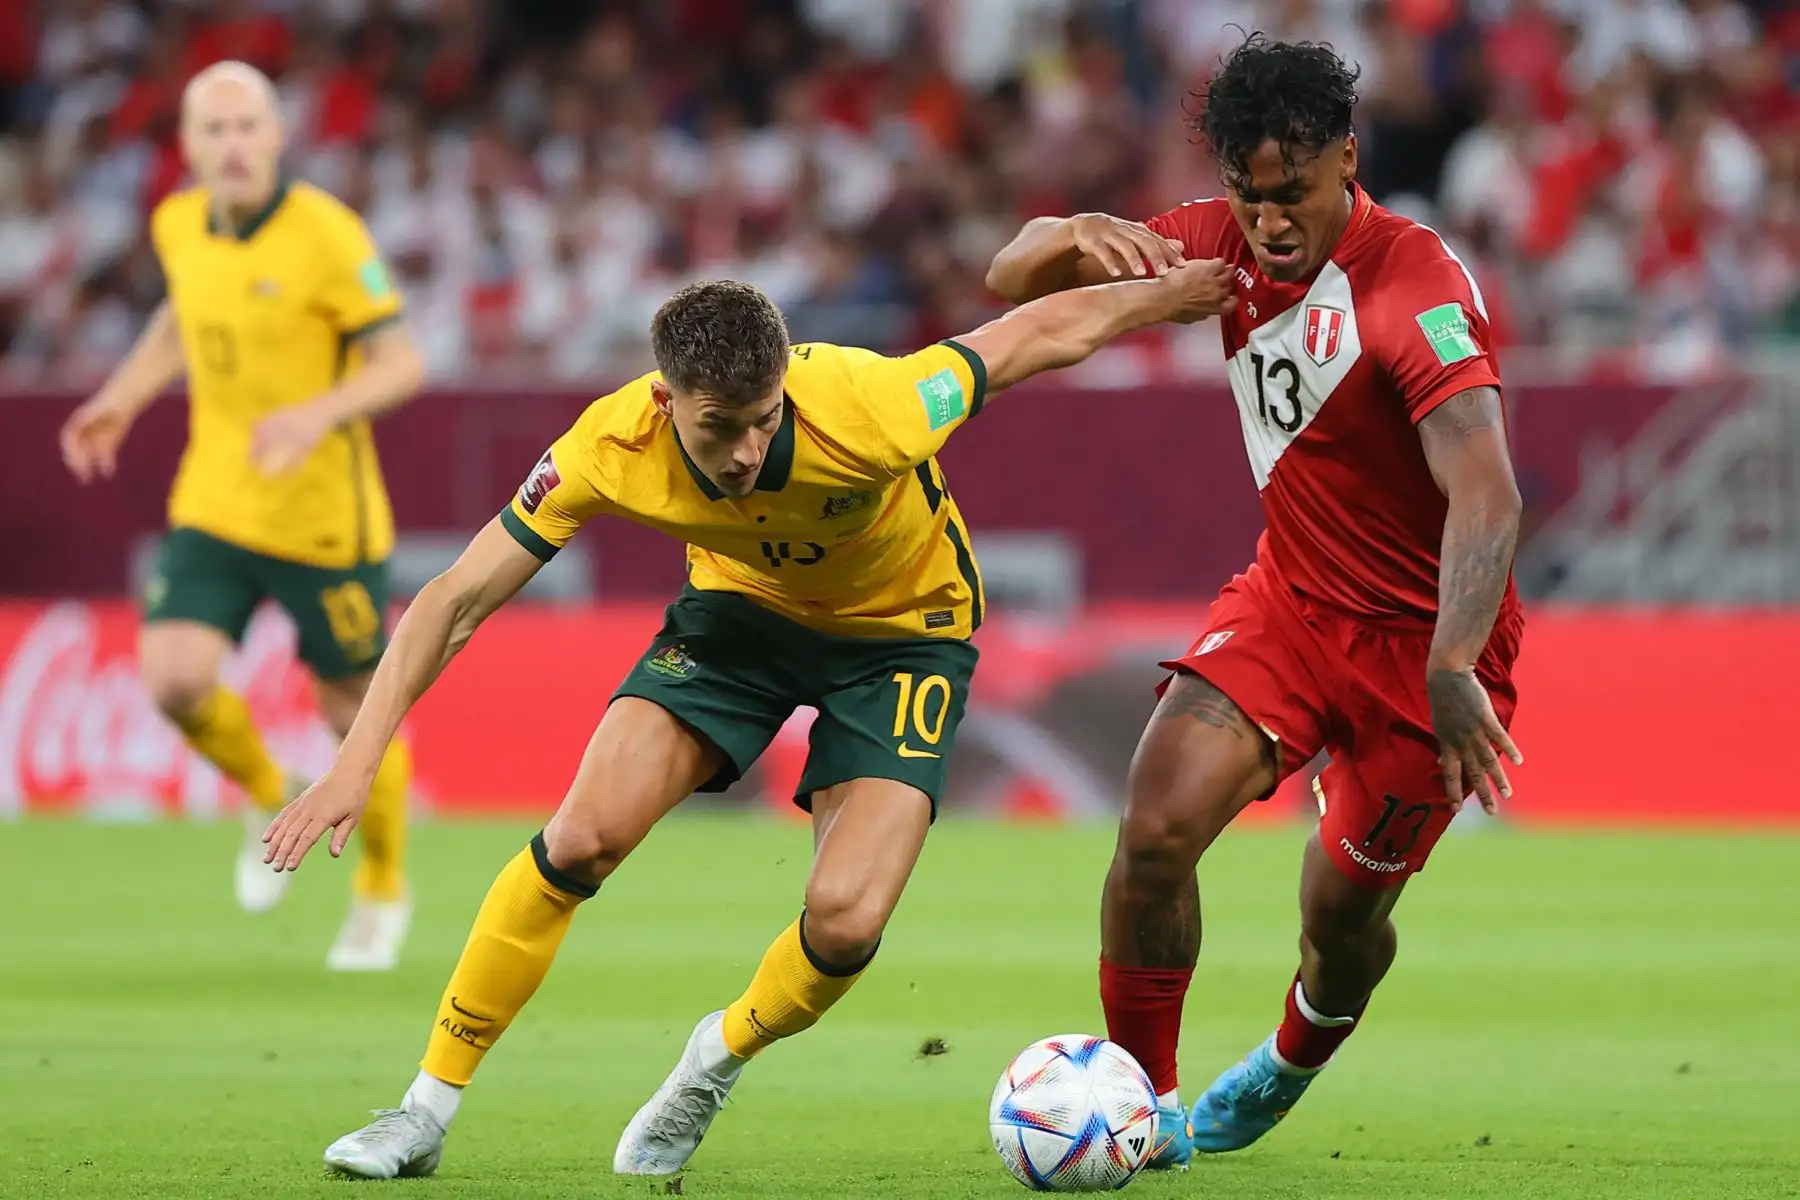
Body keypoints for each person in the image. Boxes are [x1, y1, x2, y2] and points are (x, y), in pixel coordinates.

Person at [261, 268, 1235, 1180]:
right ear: (665, 400)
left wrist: (1166, 295)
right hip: (737, 624)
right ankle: (423, 1112)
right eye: (719, 427)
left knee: (846, 923)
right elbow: (453, 600)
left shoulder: (871, 402)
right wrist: (356, 761)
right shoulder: (609, 447)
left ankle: (713, 1061)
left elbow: (1035, 333)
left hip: (903, 642)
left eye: (764, 421)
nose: (744, 452)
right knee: (580, 839)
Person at [987, 34, 1527, 1168]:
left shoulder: (1416, 285)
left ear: (1348, 157)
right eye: (1249, 193)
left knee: (1339, 919)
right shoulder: (1221, 241)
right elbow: (1011, 279)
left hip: (1424, 646)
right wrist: (1074, 232)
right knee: (1153, 831)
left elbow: (1489, 493)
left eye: (1294, 193)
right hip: (1290, 603)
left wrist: (1452, 665)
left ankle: (1294, 1054)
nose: (1270, 221)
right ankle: (1148, 1112)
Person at [57, 62, 426, 970]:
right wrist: (121, 396)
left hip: (323, 516)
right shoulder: (178, 223)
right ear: (186, 145)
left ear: (277, 136)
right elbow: (183, 320)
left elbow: (402, 363)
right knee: (174, 680)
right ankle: (269, 789)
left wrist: (315, 414)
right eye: (213, 129)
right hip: (218, 497)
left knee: (352, 711)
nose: (232, 145)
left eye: (247, 126)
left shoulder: (328, 235)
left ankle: (382, 886)